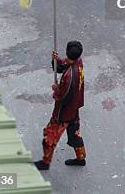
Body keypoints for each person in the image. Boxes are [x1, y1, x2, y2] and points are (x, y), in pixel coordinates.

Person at [35, 41, 86, 171]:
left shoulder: (69, 76)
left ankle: (45, 162)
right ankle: (81, 159)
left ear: (67, 52)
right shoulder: (78, 62)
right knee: (75, 134)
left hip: (63, 113)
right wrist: (56, 60)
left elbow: (64, 97)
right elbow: (63, 65)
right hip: (74, 109)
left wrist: (57, 89)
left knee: (49, 135)